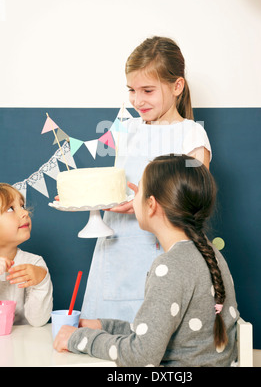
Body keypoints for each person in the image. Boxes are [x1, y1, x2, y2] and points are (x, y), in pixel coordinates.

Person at [54, 155, 239, 367]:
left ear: (151, 205)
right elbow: (159, 334)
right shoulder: (210, 252)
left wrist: (77, 339)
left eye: (138, 191)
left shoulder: (170, 267)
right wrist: (103, 325)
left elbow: (140, 356)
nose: (134, 198)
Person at [81, 36, 212, 322]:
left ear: (177, 86)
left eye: (148, 90)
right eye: (131, 90)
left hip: (161, 252)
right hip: (116, 249)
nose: (137, 100)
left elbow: (195, 197)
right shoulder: (127, 130)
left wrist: (146, 198)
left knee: (151, 336)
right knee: (104, 338)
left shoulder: (191, 135)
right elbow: (117, 184)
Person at [0, 183, 53, 326]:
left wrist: (41, 282)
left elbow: (38, 321)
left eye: (22, 206)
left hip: (21, 344)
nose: (25, 213)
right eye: (11, 208)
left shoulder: (34, 263)